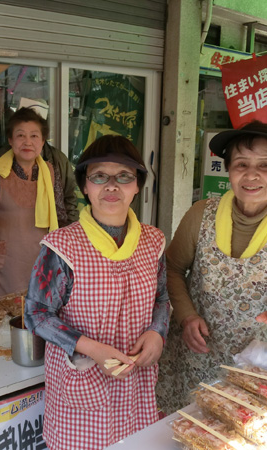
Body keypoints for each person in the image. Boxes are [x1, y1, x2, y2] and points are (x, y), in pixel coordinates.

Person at [156, 120, 267, 414]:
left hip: (248, 365)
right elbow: (171, 269)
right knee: (177, 429)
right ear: (229, 169)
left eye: (266, 166)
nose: (251, 175)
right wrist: (186, 315)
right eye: (241, 164)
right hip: (187, 354)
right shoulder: (201, 215)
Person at [24, 135, 170, 450]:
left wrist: (157, 332)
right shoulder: (62, 247)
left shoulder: (153, 242)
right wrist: (92, 349)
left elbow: (161, 298)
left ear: (137, 186)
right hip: (83, 381)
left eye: (124, 177)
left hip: (136, 382)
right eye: (100, 176)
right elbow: (36, 314)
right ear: (86, 187)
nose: (112, 186)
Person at [0, 107, 68, 299]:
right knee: (0, 317)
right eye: (20, 135)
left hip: (39, 257)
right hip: (4, 261)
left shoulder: (50, 171)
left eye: (34, 136)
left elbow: (60, 215)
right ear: (11, 140)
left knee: (35, 312)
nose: (27, 142)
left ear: (43, 141)